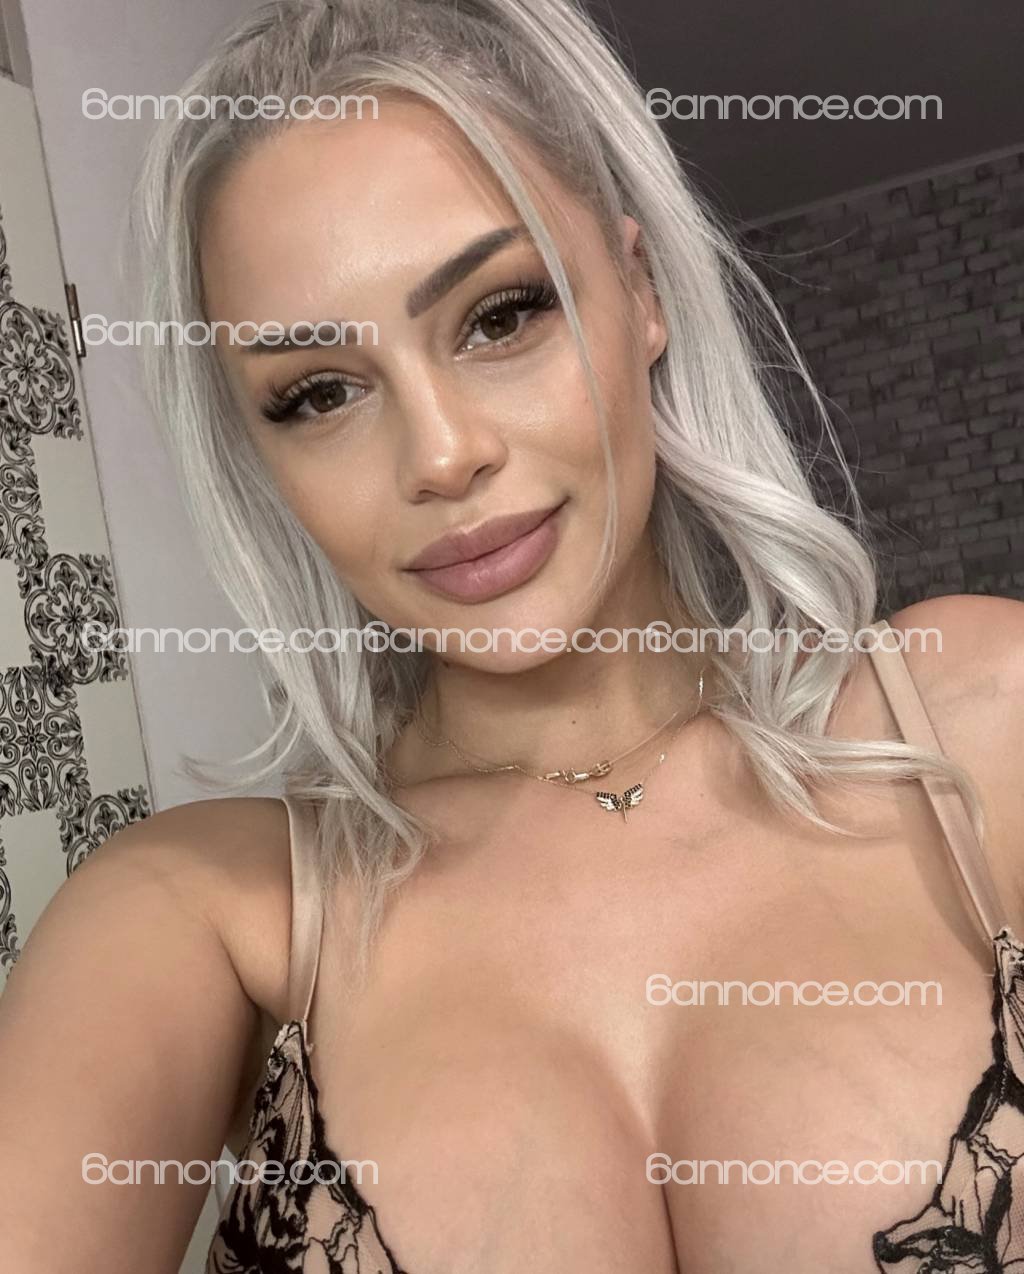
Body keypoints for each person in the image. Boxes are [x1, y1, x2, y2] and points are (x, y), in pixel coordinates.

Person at [1, 0, 1022, 1270]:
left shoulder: (980, 721)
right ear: (259, 454)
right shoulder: (208, 914)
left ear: (640, 292)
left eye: (500, 315)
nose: (440, 454)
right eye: (318, 392)